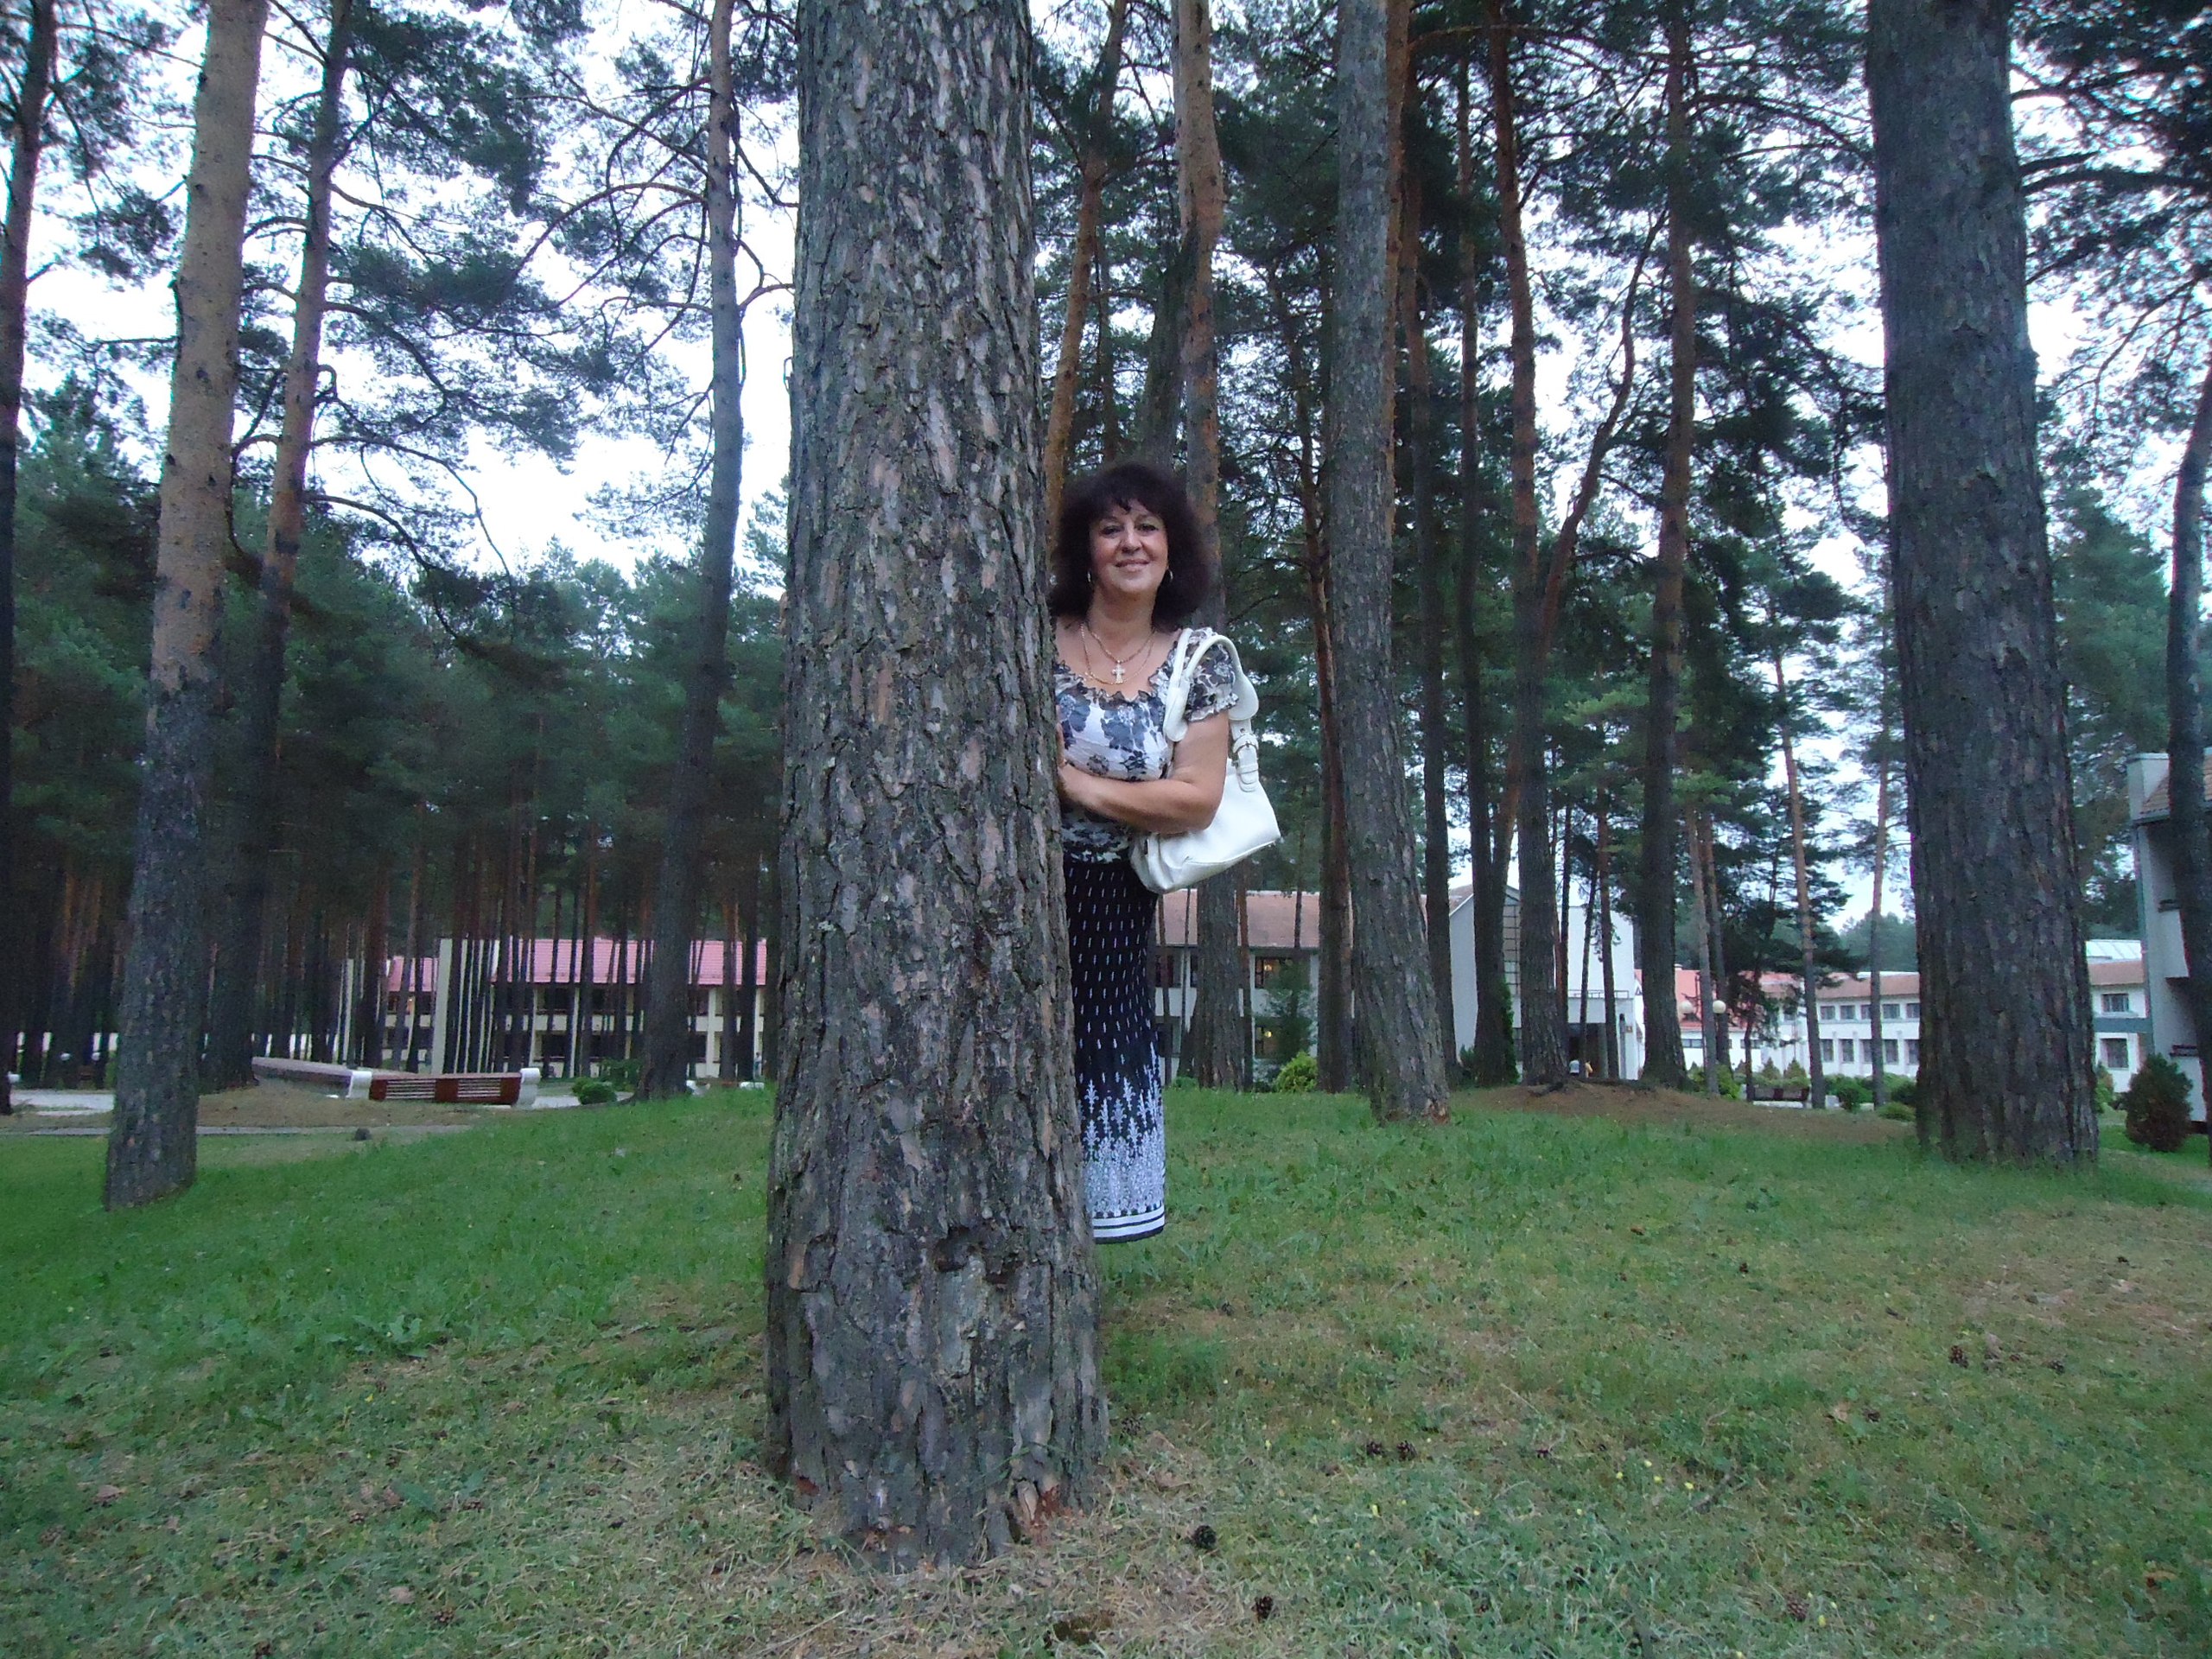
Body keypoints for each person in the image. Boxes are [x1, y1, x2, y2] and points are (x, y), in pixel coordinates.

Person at [1050, 461, 1237, 1243]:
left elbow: (1196, 797)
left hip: (1114, 896)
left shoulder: (1201, 658)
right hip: (1005, 888)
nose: (1131, 543)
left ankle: (1099, 1222)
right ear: (1086, 550)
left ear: (1172, 548)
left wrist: (1075, 786)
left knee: (1104, 1044)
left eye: (1148, 527)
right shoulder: (1033, 636)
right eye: (1110, 528)